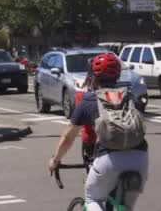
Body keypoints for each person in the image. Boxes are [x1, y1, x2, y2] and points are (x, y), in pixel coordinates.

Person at [48, 53, 148, 211]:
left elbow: (68, 138)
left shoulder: (88, 100)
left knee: (93, 198)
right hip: (140, 159)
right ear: (117, 75)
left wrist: (55, 160)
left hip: (109, 160)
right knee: (125, 207)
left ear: (93, 77)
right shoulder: (129, 96)